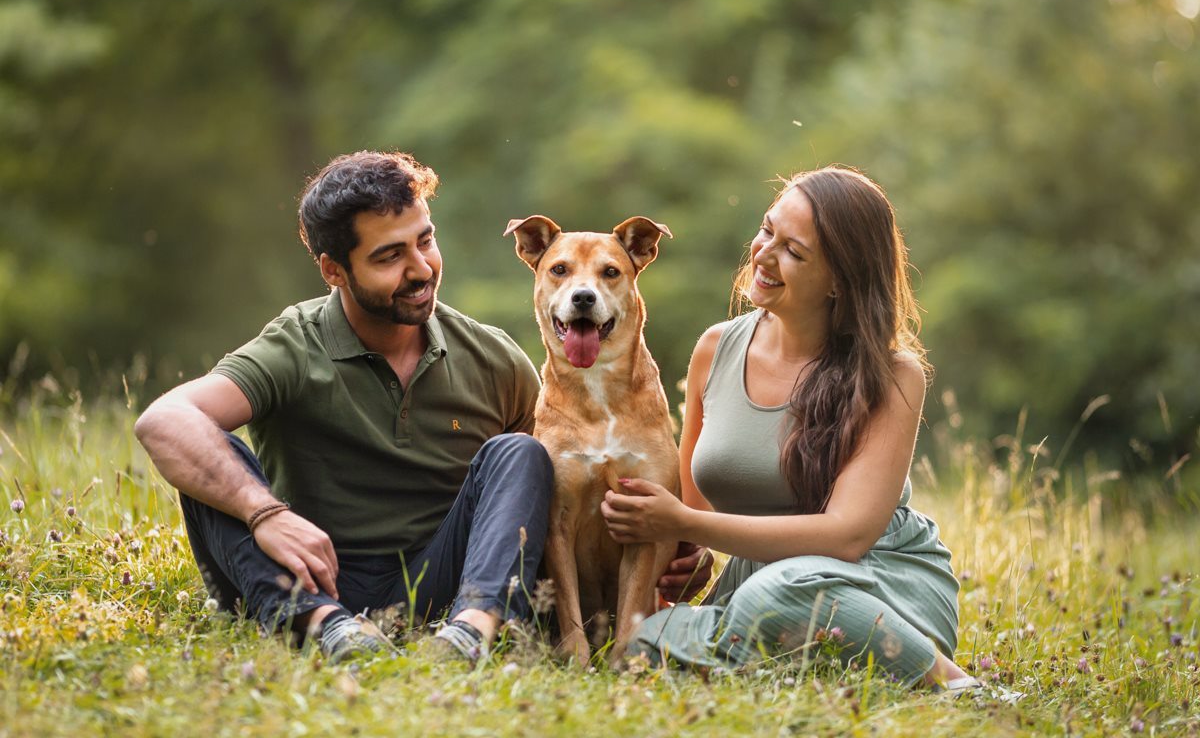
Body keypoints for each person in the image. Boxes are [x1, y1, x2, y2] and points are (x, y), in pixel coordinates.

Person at [134, 150, 554, 663]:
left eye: (426, 240)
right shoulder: (294, 344)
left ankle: (470, 635)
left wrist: (666, 538)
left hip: (440, 585)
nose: (421, 268)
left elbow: (551, 486)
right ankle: (329, 631)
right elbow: (162, 420)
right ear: (334, 270)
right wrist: (263, 513)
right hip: (310, 581)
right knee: (206, 454)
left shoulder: (493, 357)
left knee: (520, 454)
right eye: (389, 257)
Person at [601, 166, 979, 691]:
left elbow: (847, 536)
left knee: (773, 596)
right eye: (765, 230)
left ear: (840, 280)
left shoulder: (891, 374)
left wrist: (684, 523)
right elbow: (694, 514)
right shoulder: (716, 349)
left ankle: (954, 684)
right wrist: (692, 556)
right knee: (643, 640)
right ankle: (797, 666)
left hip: (877, 582)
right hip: (759, 580)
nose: (763, 254)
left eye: (794, 252)